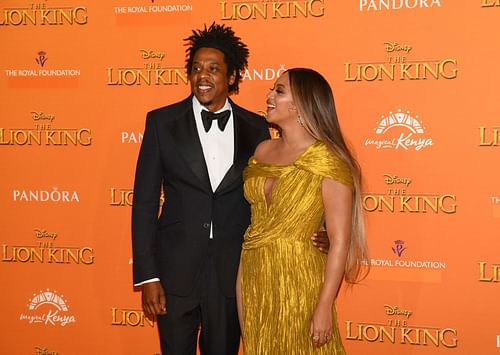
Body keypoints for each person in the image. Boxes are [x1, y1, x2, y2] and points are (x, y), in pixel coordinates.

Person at [131, 24, 329, 354]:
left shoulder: (257, 127)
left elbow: (281, 189)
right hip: (174, 273)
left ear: (232, 75)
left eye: (213, 69)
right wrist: (148, 276)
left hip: (234, 273)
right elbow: (145, 203)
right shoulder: (161, 123)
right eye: (195, 68)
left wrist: (318, 228)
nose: (202, 76)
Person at [237, 68, 369, 354]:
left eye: (279, 91)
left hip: (301, 278)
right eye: (272, 89)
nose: (269, 96)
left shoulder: (328, 160)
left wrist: (324, 306)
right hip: (253, 273)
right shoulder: (261, 150)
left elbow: (340, 241)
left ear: (302, 106)